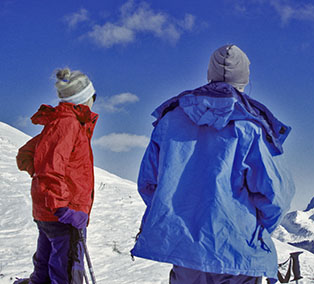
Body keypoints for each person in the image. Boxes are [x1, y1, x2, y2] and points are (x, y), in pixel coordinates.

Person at [131, 44, 295, 283]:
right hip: (237, 252)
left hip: (184, 250)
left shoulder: (169, 121)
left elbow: (148, 184)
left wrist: (177, 220)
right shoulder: (251, 127)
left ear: (209, 74)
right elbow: (275, 196)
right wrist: (253, 231)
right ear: (245, 79)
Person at [15, 68, 98, 284]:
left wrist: (42, 182)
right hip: (63, 214)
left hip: (48, 212)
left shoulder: (59, 123)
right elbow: (51, 167)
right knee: (67, 272)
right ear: (83, 100)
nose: (93, 103)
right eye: (93, 97)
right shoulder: (68, 124)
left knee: (45, 266)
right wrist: (63, 206)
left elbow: (26, 155)